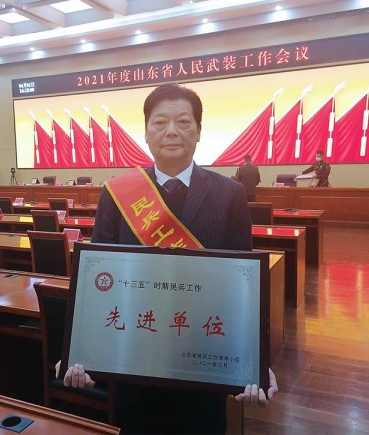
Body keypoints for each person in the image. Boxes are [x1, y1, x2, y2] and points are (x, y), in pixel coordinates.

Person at [59, 83, 278, 434]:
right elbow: (98, 282)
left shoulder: (230, 194)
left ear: (199, 130)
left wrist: (256, 361)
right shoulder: (117, 192)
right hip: (135, 357)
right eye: (160, 122)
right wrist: (79, 350)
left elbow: (244, 287)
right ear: (146, 133)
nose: (171, 131)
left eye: (183, 121)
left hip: (203, 355)